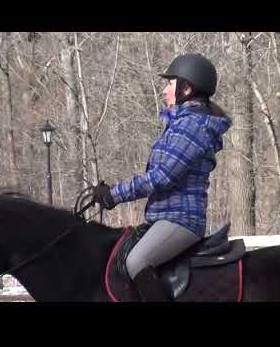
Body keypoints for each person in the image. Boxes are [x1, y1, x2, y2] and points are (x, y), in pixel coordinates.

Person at [92, 53, 231, 301]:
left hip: (181, 220)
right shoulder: (182, 123)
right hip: (163, 218)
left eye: (170, 84)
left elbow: (162, 177)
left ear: (186, 89)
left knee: (136, 261)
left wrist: (114, 195)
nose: (165, 90)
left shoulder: (193, 126)